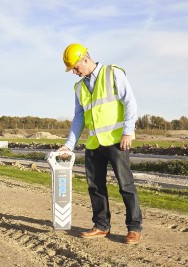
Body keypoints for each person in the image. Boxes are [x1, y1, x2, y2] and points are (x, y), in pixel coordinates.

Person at [58, 43, 142, 244]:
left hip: (116, 142)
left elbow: (130, 102)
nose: (74, 73)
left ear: (85, 59)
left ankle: (134, 228)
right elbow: (79, 118)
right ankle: (101, 226)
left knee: (126, 185)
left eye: (75, 68)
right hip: (94, 144)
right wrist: (69, 145)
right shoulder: (79, 87)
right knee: (95, 187)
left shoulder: (112, 73)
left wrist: (128, 132)